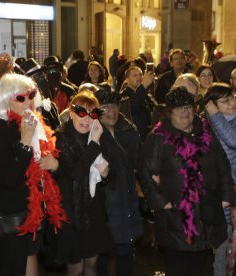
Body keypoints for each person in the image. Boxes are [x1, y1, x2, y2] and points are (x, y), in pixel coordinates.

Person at [139, 86, 234, 276]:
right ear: (170, 113)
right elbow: (145, 172)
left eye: (189, 106)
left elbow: (222, 164)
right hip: (176, 217)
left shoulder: (206, 130)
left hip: (207, 216)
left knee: (203, 267)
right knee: (179, 268)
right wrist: (161, 203)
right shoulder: (158, 137)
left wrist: (226, 196)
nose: (186, 111)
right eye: (179, 108)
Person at [0, 73, 67, 275]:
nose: (28, 101)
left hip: (35, 212)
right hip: (13, 215)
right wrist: (24, 142)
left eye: (31, 95)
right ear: (5, 100)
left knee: (32, 260)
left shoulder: (34, 123)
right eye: (21, 98)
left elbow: (51, 166)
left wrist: (56, 166)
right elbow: (8, 178)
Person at [53, 90, 113, 276]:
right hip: (70, 210)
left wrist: (105, 175)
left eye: (92, 114)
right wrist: (93, 143)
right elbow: (76, 173)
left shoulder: (98, 136)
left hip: (92, 208)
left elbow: (107, 176)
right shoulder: (61, 137)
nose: (86, 119)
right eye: (81, 113)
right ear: (71, 113)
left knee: (92, 265)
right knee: (76, 268)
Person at [94, 88, 143, 276]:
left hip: (127, 203)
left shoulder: (129, 130)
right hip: (103, 206)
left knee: (126, 255)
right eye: (105, 106)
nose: (112, 111)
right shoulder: (92, 134)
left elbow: (140, 163)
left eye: (115, 105)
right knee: (101, 257)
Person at [204, 83, 236, 276]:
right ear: (213, 104)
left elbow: (233, 140)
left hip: (233, 193)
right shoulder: (206, 125)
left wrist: (215, 115)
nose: (232, 103)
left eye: (233, 98)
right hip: (218, 193)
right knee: (222, 245)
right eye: (226, 101)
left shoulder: (223, 121)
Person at [121, 66, 155, 141]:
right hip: (134, 138)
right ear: (127, 80)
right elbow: (133, 105)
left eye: (140, 75)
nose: (139, 77)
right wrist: (143, 86)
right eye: (135, 75)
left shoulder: (145, 93)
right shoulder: (123, 95)